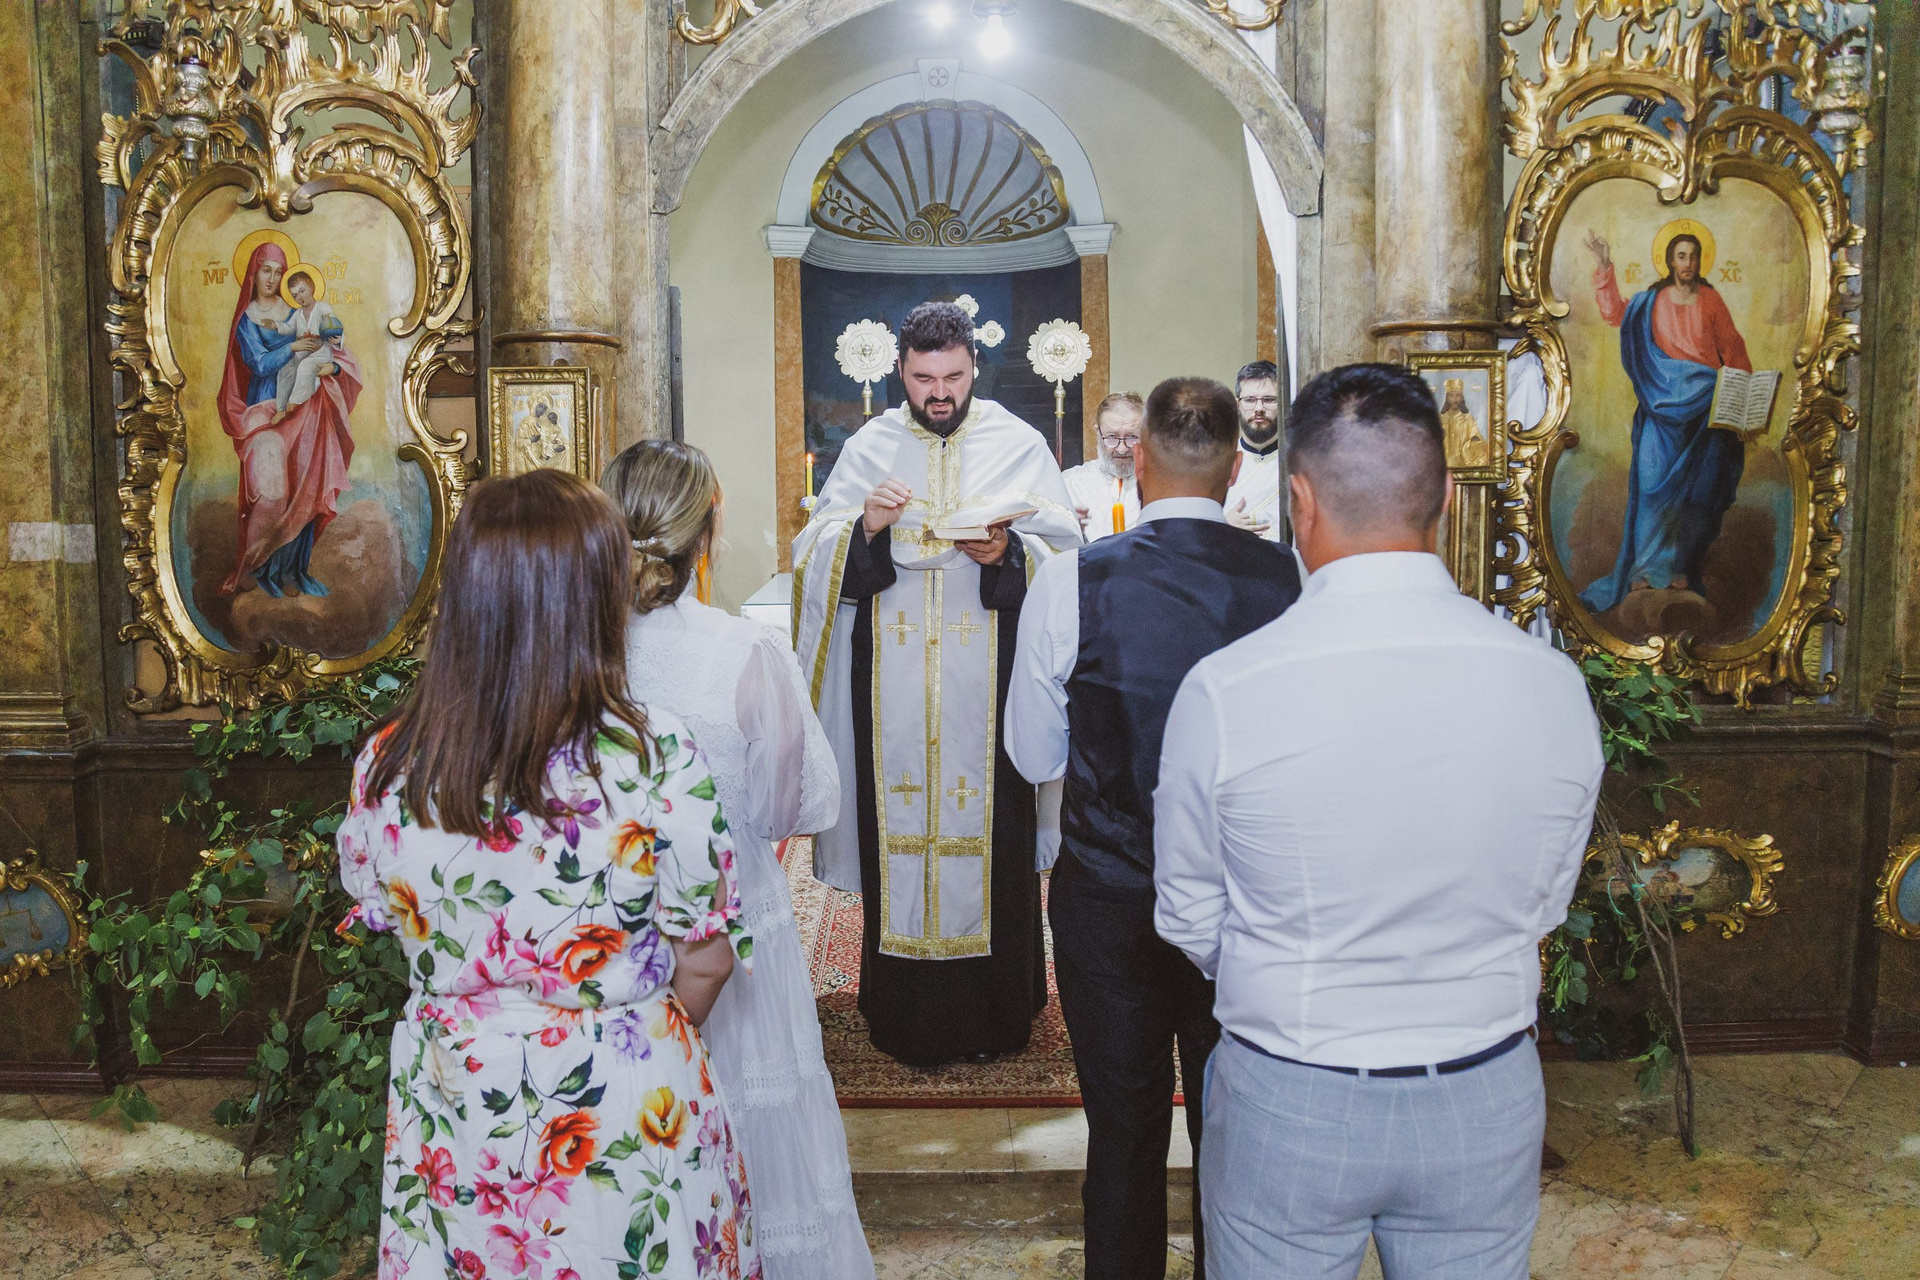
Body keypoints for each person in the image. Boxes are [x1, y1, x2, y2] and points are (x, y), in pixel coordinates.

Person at [1154, 363, 1603, 1280]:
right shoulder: (1551, 683)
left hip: (1292, 1090)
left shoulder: (1228, 689)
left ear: (1299, 502)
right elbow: (1547, 901)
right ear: (1445, 499)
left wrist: (1298, 974)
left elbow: (1189, 915)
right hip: (1483, 1088)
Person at [336, 469, 761, 1280]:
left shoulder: (389, 765)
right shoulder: (656, 755)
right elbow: (705, 957)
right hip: (624, 1097)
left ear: (464, 597)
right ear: (597, 599)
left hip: (457, 1100)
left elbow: (382, 908)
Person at [1007, 378, 1300, 1280]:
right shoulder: (1291, 579)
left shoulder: (1072, 580)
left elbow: (1032, 753)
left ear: (1139, 460)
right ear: (1235, 465)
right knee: (1234, 1125)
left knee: (1124, 1127)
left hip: (1110, 890)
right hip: (1248, 899)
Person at [603, 440, 875, 1280]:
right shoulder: (743, 653)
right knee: (754, 1134)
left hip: (613, 936)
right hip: (733, 923)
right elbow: (801, 806)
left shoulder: (572, 652)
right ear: (707, 534)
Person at [791, 299, 1081, 1067]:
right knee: (897, 828)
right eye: (924, 379)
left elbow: (1067, 561)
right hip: (891, 692)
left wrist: (1009, 555)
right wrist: (864, 530)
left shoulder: (1018, 445)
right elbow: (813, 556)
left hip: (991, 696)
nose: (940, 393)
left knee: (995, 835)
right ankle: (903, 1014)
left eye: (953, 377)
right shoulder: (870, 447)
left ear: (973, 367)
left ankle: (999, 1011)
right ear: (902, 372)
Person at [1580, 228, 1752, 610]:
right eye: (1681, 256)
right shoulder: (1649, 303)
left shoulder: (1711, 300)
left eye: (1693, 256)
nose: (1687, 263)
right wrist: (1604, 264)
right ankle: (1644, 570)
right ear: (1670, 261)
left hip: (1705, 411)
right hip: (1660, 410)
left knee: (1696, 494)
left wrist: (1743, 406)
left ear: (1700, 261)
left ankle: (1681, 568)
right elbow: (1615, 313)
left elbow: (1733, 348)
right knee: (1651, 489)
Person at [217, 241, 361, 598]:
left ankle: (293, 571)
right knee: (271, 493)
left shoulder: (298, 310)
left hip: (307, 410)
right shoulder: (248, 320)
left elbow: (336, 348)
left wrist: (333, 366)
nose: (272, 278)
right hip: (264, 414)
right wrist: (294, 347)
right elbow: (259, 363)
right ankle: (257, 568)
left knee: (304, 487)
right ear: (253, 274)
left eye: (278, 272)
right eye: (266, 270)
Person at [1060, 392, 1145, 540]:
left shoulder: (1164, 488)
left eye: (1132, 437)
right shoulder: (1069, 485)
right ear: (1097, 433)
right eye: (1111, 437)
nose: (1122, 449)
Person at [270, 266, 347, 423]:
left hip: (320, 351)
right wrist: (276, 326)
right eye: (295, 295)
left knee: (305, 366)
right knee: (286, 367)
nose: (299, 297)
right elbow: (288, 328)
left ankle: (295, 403)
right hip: (303, 350)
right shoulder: (298, 314)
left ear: (311, 287)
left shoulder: (322, 308)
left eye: (302, 291)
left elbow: (333, 324)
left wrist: (337, 338)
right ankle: (281, 408)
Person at [1222, 359, 1283, 542]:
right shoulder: (1216, 461)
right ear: (1237, 405)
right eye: (1250, 400)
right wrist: (1221, 525)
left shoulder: (1299, 461)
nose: (1259, 409)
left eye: (1269, 400)